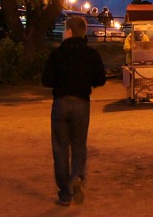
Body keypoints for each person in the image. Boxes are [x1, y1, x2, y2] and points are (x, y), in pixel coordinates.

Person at [41, 14, 107, 206]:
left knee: (60, 148)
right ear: (84, 31)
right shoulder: (91, 54)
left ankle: (64, 193)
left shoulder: (57, 54)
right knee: (79, 144)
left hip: (61, 102)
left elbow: (46, 80)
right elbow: (100, 80)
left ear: (68, 31)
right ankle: (77, 176)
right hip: (81, 102)